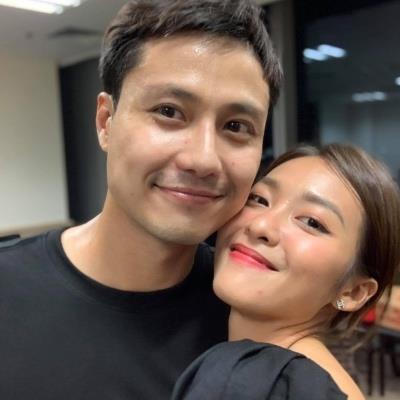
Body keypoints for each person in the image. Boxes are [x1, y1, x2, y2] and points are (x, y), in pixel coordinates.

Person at [0, 1, 282, 399]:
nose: (203, 159)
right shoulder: (9, 290)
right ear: (106, 122)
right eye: (169, 111)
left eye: (236, 126)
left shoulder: (254, 317)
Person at [172, 143, 400, 400]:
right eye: (259, 200)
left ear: (354, 292)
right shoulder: (323, 384)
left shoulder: (250, 382)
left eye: (312, 222)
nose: (260, 225)